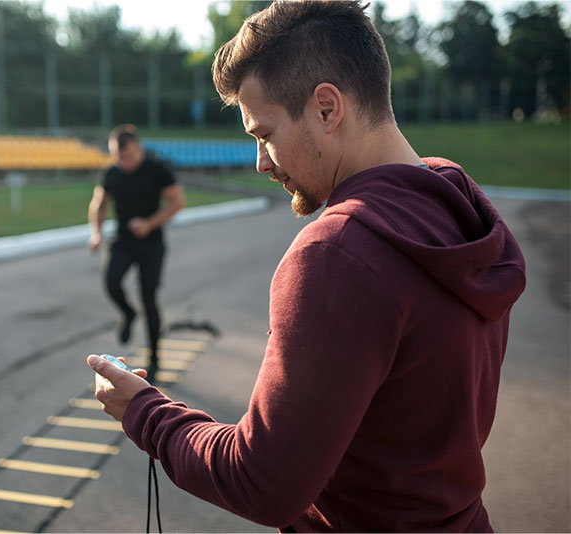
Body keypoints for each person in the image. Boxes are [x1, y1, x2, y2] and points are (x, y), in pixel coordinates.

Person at [87, 1, 527, 532]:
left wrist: (146, 413)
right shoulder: (454, 203)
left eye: (264, 134)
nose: (261, 162)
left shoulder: (337, 253)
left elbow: (263, 483)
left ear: (326, 108)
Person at [87, 125, 186, 384]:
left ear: (138, 148)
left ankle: (154, 359)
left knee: (149, 298)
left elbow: (177, 202)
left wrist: (149, 224)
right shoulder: (111, 173)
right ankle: (128, 314)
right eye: (118, 157)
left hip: (151, 243)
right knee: (111, 281)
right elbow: (99, 205)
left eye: (128, 156)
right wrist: (96, 233)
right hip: (123, 239)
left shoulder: (156, 170)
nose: (124, 162)